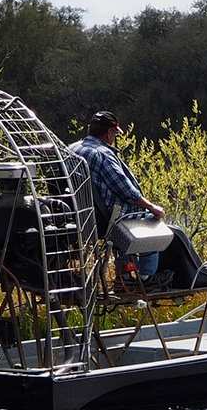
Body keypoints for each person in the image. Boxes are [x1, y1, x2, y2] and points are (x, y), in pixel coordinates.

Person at [68, 111, 167, 284]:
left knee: (125, 223)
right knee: (151, 224)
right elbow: (125, 190)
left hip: (82, 215)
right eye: (114, 133)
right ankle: (146, 278)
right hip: (106, 219)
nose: (114, 137)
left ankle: (125, 276)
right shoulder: (102, 154)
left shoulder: (71, 149)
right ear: (108, 133)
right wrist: (151, 207)